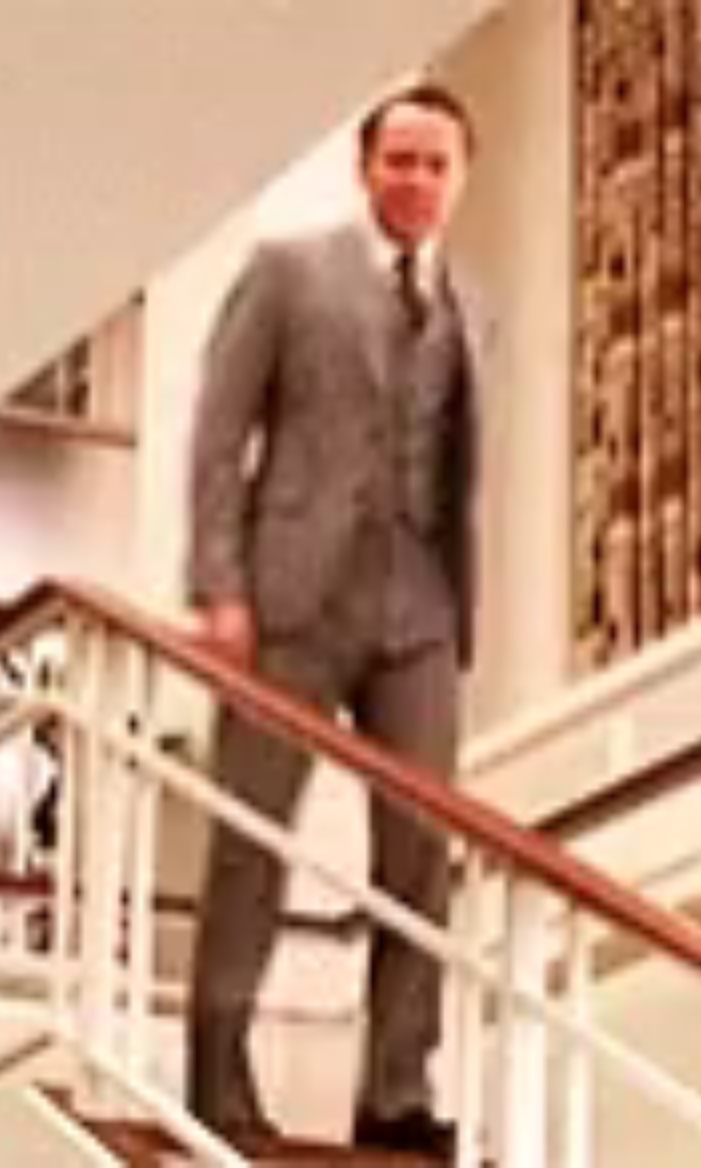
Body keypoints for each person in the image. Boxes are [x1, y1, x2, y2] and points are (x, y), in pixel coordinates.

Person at [182, 82, 486, 1156]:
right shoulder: (288, 272)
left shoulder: (469, 305)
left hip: (421, 608)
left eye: (436, 163)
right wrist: (219, 585)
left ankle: (395, 1089)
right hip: (289, 602)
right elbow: (218, 435)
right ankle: (216, 1075)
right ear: (366, 168)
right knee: (251, 839)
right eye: (399, 159)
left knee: (421, 854)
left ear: (460, 177)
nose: (416, 179)